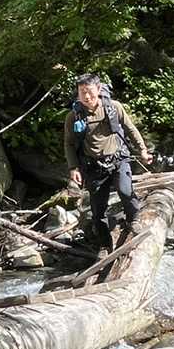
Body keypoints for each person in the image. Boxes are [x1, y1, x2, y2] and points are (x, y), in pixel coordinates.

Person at [63, 73, 154, 249]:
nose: (86, 96)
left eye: (89, 91)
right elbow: (69, 143)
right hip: (93, 166)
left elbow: (130, 129)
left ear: (98, 89)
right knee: (98, 209)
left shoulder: (113, 107)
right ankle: (105, 245)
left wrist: (143, 150)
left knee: (126, 191)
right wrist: (73, 167)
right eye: (82, 92)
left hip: (118, 159)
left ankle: (134, 221)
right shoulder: (73, 117)